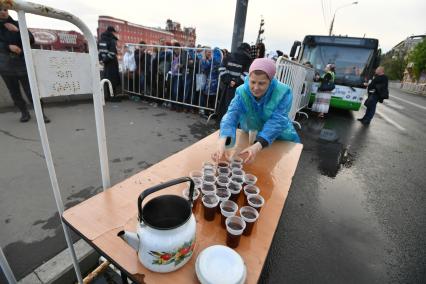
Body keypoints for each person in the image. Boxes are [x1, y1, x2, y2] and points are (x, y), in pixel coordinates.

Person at [213, 58, 300, 164]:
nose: (256, 87)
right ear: (249, 78)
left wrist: (258, 145)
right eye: (253, 82)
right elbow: (232, 114)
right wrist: (223, 140)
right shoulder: (242, 91)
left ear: (270, 81)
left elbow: (277, 121)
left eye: (261, 83)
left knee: (276, 167)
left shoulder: (283, 92)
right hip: (252, 135)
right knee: (252, 167)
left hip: (280, 137)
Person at [0, 8, 50, 123]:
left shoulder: (18, 23)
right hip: (5, 67)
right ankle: (24, 113)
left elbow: (31, 40)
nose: (3, 12)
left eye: (4, 9)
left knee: (31, 91)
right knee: (14, 92)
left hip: (22, 64)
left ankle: (41, 114)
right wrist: (7, 47)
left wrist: (18, 30)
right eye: (0, 10)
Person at [216, 42, 252, 121]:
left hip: (227, 86)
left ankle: (222, 124)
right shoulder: (249, 59)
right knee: (235, 108)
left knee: (224, 106)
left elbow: (221, 69)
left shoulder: (229, 55)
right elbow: (247, 74)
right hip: (239, 88)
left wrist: (229, 80)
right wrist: (236, 81)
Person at [98, 26, 121, 102]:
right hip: (111, 63)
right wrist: (106, 60)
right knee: (112, 80)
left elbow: (99, 52)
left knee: (107, 79)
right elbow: (112, 53)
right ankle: (112, 97)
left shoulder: (101, 39)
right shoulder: (111, 40)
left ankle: (108, 96)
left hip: (106, 64)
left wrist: (102, 60)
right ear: (112, 32)